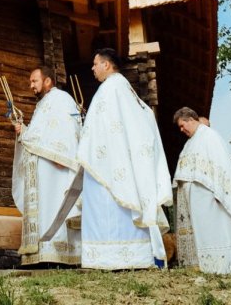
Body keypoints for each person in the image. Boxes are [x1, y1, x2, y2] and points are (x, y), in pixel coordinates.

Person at [72, 48, 171, 270]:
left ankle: (112, 258)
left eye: (95, 64)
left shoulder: (110, 89)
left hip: (109, 163)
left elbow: (104, 130)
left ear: (106, 65)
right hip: (118, 161)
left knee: (110, 207)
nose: (92, 68)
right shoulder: (124, 88)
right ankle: (129, 256)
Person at [171, 108, 231, 273]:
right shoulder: (191, 142)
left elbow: (222, 168)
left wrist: (219, 193)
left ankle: (224, 267)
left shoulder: (210, 136)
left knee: (216, 233)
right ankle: (207, 267)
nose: (181, 129)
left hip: (210, 200)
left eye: (182, 125)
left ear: (191, 119)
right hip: (198, 203)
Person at [11, 66, 82, 266]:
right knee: (43, 209)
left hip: (55, 167)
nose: (31, 85)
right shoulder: (43, 105)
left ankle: (56, 256)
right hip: (41, 170)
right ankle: (39, 255)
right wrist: (23, 130)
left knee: (53, 207)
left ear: (48, 81)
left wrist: (64, 154)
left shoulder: (61, 99)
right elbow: (39, 135)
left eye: (34, 81)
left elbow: (68, 130)